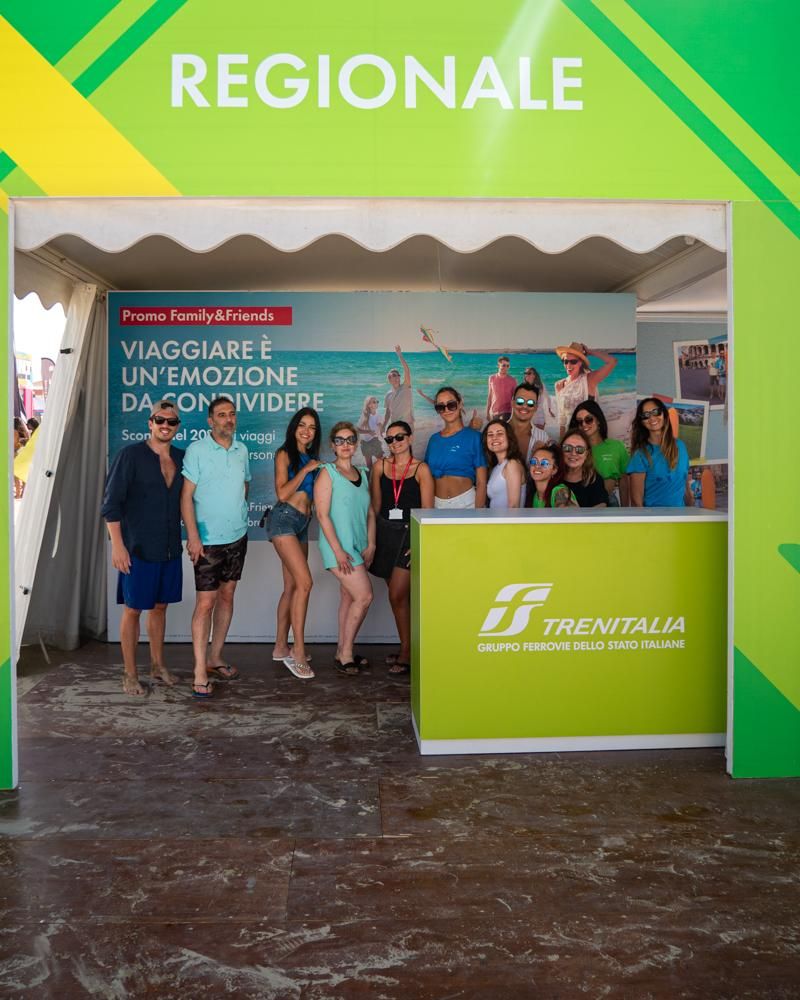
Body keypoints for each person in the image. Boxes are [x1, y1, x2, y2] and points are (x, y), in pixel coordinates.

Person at [101, 399, 184, 696]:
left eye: (171, 421)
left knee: (160, 607)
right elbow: (111, 504)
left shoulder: (182, 457)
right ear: (150, 423)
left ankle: (157, 665)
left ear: (177, 426)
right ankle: (130, 673)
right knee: (134, 609)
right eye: (159, 420)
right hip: (137, 548)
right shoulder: (130, 455)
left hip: (170, 548)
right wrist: (118, 546)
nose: (165, 425)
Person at [181, 396, 251, 698]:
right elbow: (186, 496)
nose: (228, 419)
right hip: (207, 541)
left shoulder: (241, 450)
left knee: (227, 595)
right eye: (221, 415)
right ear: (210, 421)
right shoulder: (197, 450)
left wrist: (240, 514)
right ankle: (199, 669)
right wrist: (194, 536)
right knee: (205, 603)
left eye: (232, 414)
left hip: (237, 536)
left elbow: (245, 485)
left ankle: (215, 657)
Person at [369, 420, 434, 675]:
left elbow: (427, 512)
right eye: (390, 439)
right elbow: (375, 508)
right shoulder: (380, 466)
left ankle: (407, 653)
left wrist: (419, 542)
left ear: (410, 438)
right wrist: (371, 540)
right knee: (400, 599)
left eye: (399, 437)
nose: (394, 443)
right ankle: (408, 646)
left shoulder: (421, 469)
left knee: (396, 595)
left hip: (409, 535)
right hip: (386, 535)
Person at [314, 422, 376, 675]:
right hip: (338, 547)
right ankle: (347, 654)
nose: (346, 445)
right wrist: (338, 551)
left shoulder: (363, 473)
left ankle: (342, 649)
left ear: (356, 443)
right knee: (364, 596)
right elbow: (322, 515)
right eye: (340, 440)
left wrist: (371, 543)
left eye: (350, 440)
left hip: (359, 545)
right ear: (333, 445)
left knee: (349, 597)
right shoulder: (327, 473)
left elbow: (370, 513)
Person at [267, 407, 321, 680]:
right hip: (283, 520)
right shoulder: (284, 454)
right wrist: (306, 470)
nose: (306, 431)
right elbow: (282, 492)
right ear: (294, 427)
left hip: (302, 524)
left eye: (312, 427)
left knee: (292, 587)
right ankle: (297, 651)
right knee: (305, 583)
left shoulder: (312, 458)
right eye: (302, 425)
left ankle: (280, 646)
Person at [424, 387, 487, 508]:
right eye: (441, 407)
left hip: (467, 505)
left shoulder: (475, 437)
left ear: (460, 404)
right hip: (437, 505)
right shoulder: (433, 440)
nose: (446, 410)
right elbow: (427, 479)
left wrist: (478, 513)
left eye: (451, 405)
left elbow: (482, 482)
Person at [627, 398, 692, 508]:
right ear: (642, 422)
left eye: (656, 412)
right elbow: (636, 502)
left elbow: (685, 487)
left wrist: (692, 512)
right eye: (645, 415)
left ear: (664, 414)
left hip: (681, 517)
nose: (652, 418)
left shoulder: (681, 446)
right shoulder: (640, 455)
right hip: (654, 518)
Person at [568, 400, 629, 505]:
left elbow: (624, 480)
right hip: (579, 504)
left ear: (598, 420)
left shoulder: (616, 446)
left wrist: (625, 509)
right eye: (579, 422)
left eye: (588, 419)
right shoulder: (573, 451)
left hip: (610, 503)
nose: (584, 424)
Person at [554, 342, 618, 437]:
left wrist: (591, 352)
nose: (568, 365)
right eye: (565, 361)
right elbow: (562, 417)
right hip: (570, 434)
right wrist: (562, 439)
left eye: (573, 361)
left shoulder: (589, 380)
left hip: (588, 433)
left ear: (580, 362)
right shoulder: (559, 385)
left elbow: (612, 361)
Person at [482, 419, 526, 509]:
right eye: (490, 435)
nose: (494, 438)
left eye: (499, 433)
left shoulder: (512, 464)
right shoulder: (496, 467)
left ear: (509, 438)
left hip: (508, 518)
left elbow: (514, 506)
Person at [560, 428, 608, 507]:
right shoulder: (552, 475)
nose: (573, 453)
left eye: (580, 449)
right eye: (567, 448)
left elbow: (601, 507)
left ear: (587, 454)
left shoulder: (594, 479)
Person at [506, 383, 549, 465]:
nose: (525, 406)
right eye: (520, 401)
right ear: (512, 403)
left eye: (530, 403)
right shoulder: (496, 433)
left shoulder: (543, 437)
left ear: (536, 408)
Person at [529, 441, 577, 508]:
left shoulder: (559, 491)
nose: (537, 466)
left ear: (554, 470)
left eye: (544, 463)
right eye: (534, 461)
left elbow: (570, 514)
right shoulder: (534, 494)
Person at [383, 345, 414, 430]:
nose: (397, 377)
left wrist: (400, 355)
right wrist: (384, 426)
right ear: (389, 379)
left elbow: (407, 370)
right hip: (394, 426)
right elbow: (388, 412)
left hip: (407, 426)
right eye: (394, 375)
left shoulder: (406, 387)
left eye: (398, 375)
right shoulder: (388, 395)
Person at [523, 366, 556, 431]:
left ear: (534, 375)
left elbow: (548, 398)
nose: (526, 375)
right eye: (525, 373)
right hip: (528, 416)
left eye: (529, 373)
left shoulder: (541, 385)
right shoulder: (523, 387)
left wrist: (549, 410)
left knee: (539, 435)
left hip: (539, 415)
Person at [485, 356, 516, 421]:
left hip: (508, 412)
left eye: (508, 366)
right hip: (494, 412)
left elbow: (515, 399)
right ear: (498, 365)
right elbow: (490, 396)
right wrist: (487, 412)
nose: (506, 368)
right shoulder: (491, 378)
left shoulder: (512, 380)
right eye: (504, 365)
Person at [357, 395, 384, 470]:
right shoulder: (364, 416)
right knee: (369, 465)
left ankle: (379, 473)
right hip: (365, 442)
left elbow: (380, 427)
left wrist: (381, 429)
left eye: (377, 402)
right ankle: (370, 475)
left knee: (381, 460)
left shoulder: (378, 415)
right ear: (369, 405)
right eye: (374, 402)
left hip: (375, 440)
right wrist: (368, 432)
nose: (376, 403)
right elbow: (358, 429)